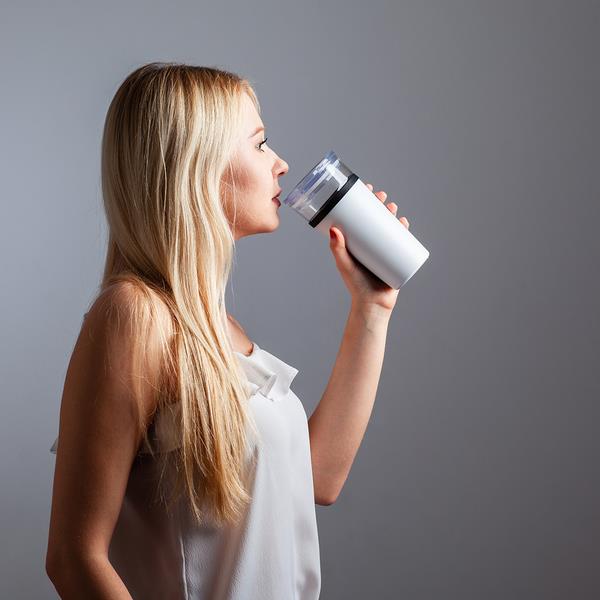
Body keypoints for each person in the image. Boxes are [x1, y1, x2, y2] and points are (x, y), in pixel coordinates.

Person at [45, 62, 410, 599]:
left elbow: (319, 478)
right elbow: (74, 558)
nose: (281, 164)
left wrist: (371, 308)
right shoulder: (135, 316)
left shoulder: (217, 328)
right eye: (260, 144)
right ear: (199, 165)